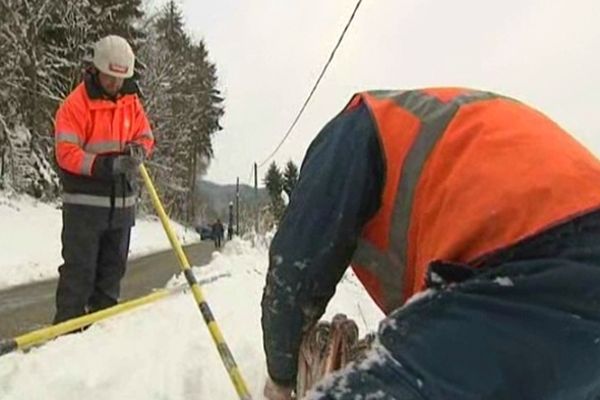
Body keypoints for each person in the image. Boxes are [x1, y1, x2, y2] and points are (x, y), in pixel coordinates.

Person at [261, 88, 600, 399]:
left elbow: (294, 271)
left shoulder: (356, 130)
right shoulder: (443, 149)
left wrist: (280, 377)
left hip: (545, 255)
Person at [53, 35, 154, 324]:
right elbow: (66, 152)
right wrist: (105, 165)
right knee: (79, 277)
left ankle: (100, 340)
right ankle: (66, 337)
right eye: (110, 78)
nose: (115, 85)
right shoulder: (75, 106)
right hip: (85, 208)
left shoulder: (131, 102)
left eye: (120, 79)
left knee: (111, 277)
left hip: (121, 209)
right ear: (96, 70)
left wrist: (139, 150)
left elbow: (145, 136)